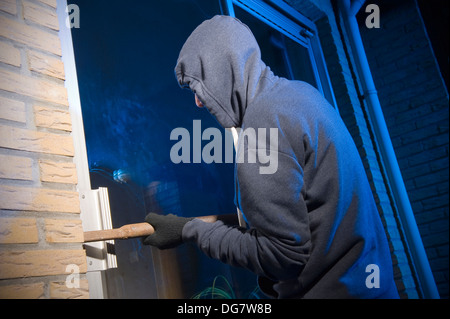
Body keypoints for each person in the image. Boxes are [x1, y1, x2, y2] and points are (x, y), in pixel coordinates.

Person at [143, 15, 399, 299]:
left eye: (197, 87)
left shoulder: (263, 125)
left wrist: (190, 231)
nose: (198, 102)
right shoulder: (301, 95)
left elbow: (283, 255)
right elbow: (310, 216)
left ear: (221, 71)